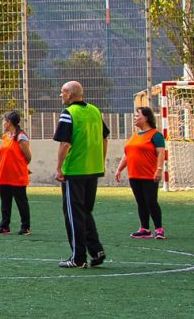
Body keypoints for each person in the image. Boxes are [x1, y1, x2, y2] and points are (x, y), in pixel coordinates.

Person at [54, 80, 110, 269]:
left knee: (73, 214)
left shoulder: (69, 114)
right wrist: (101, 160)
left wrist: (59, 168)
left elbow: (65, 144)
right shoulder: (95, 111)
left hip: (75, 170)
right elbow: (104, 138)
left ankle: (78, 258)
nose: (60, 95)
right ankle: (96, 250)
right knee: (85, 211)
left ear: (70, 94)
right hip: (93, 169)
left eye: (62, 92)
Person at [115, 105, 166, 240]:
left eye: (138, 116)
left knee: (151, 202)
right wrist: (119, 169)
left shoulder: (156, 135)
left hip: (149, 175)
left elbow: (161, 153)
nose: (135, 118)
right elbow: (127, 155)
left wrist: (159, 170)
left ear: (146, 118)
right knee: (141, 203)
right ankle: (145, 229)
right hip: (134, 175)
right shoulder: (135, 135)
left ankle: (159, 229)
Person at [0, 110, 31, 235]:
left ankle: (25, 227)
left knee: (21, 202)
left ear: (9, 122)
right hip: (4, 175)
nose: (3, 123)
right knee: (5, 202)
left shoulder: (21, 136)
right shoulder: (5, 136)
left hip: (17, 175)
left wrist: (22, 166)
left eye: (5, 121)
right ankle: (4, 226)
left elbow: (28, 156)